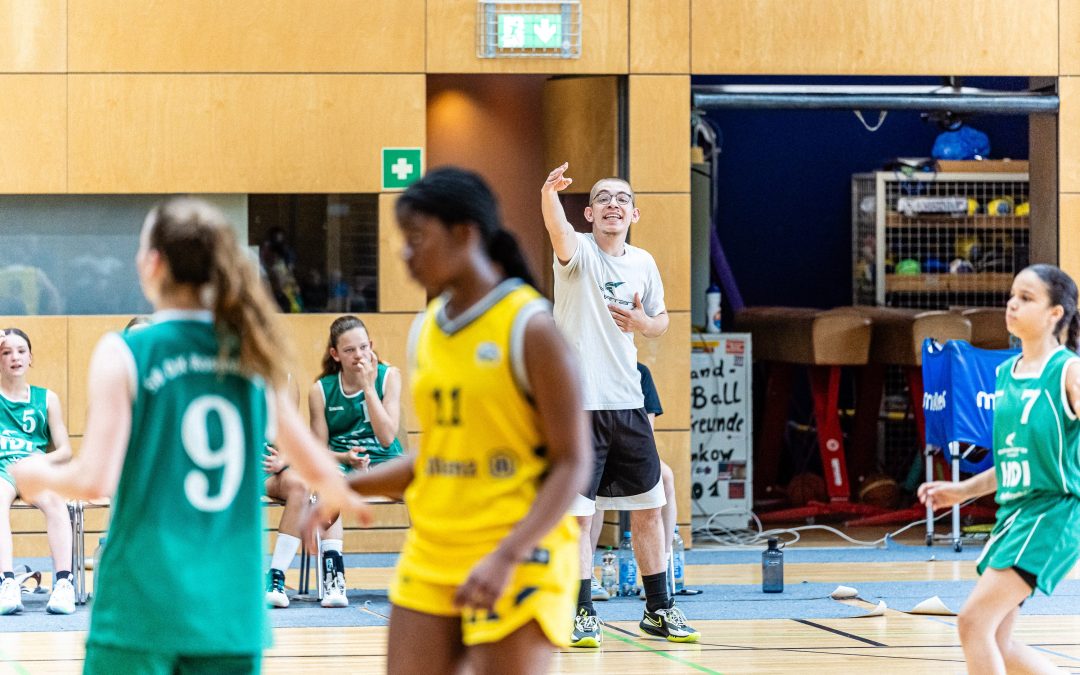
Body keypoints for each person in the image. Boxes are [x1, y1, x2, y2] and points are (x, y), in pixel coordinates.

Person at [11, 197, 364, 673]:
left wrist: (32, 473)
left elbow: (94, 481)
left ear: (151, 264)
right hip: (230, 606)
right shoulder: (252, 351)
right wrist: (340, 495)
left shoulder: (126, 351)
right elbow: (314, 460)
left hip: (142, 598)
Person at [345, 167, 591, 675]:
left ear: (464, 234)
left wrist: (507, 554)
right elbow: (437, 457)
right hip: (434, 550)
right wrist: (340, 487)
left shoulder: (531, 327)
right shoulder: (425, 332)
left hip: (520, 549)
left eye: (416, 238)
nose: (405, 253)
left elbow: (574, 463)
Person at [541, 162, 699, 645]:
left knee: (650, 509)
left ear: (635, 213)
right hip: (578, 406)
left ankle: (659, 609)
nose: (614, 204)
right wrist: (549, 193)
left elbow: (661, 320)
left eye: (622, 199)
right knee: (579, 515)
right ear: (588, 214)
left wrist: (643, 323)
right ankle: (579, 610)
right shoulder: (578, 253)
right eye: (604, 198)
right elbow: (556, 227)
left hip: (627, 403)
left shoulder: (643, 262)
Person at [919, 264, 1080, 674]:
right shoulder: (1005, 374)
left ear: (1054, 313)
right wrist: (960, 491)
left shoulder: (1068, 371)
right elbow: (1011, 463)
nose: (1012, 304)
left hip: (1053, 512)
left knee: (973, 623)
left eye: (1026, 298)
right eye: (1012, 295)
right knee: (999, 641)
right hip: (1015, 514)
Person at [309, 315, 405, 608]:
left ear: (372, 347)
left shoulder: (389, 376)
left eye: (363, 347)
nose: (359, 355)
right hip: (342, 462)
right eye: (350, 350)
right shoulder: (321, 390)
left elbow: (387, 436)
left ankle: (434, 572)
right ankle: (334, 576)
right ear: (335, 354)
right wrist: (344, 457)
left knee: (424, 489)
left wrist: (368, 387)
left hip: (383, 459)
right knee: (328, 485)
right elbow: (316, 450)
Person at [0, 328, 75, 615]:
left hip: (34, 468)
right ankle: (6, 582)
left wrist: (39, 462)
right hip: (2, 469)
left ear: (31, 357)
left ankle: (64, 583)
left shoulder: (47, 399)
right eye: (6, 352)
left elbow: (65, 450)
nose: (14, 357)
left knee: (57, 500)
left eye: (21, 351)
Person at [588, 363, 678, 601]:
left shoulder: (639, 372)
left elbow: (646, 431)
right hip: (592, 449)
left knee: (665, 477)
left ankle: (662, 567)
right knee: (590, 487)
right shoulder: (584, 365)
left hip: (630, 448)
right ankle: (587, 574)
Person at [263, 374, 309, 609]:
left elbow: (293, 438)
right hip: (231, 466)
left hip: (268, 470)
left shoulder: (287, 379)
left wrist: (283, 459)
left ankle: (276, 577)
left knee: (300, 485)